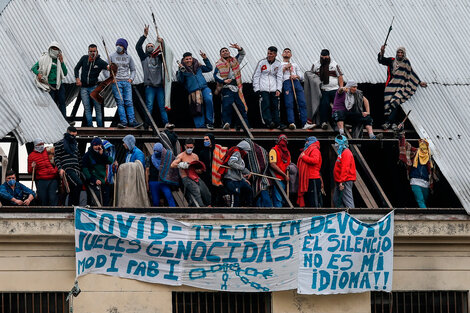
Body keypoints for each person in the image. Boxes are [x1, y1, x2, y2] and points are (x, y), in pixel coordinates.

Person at [378, 46, 427, 130]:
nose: (400, 54)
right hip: (390, 86)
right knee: (389, 103)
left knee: (395, 101)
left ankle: (389, 122)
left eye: (401, 53)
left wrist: (419, 82)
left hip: (400, 86)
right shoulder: (392, 60)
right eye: (398, 53)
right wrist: (382, 52)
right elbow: (381, 60)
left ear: (404, 54)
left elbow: (411, 73)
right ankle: (394, 122)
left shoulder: (406, 62)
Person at [136, 26, 174, 129]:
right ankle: (147, 124)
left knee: (162, 106)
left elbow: (167, 52)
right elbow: (138, 47)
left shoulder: (159, 57)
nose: (150, 47)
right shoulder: (144, 58)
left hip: (159, 86)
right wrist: (144, 35)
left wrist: (162, 42)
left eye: (152, 46)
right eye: (148, 46)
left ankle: (166, 123)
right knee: (149, 106)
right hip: (150, 86)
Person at [214, 44, 249, 130]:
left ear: (229, 52)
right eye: (223, 51)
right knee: (227, 106)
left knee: (241, 107)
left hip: (237, 88)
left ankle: (244, 125)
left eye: (226, 51)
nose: (225, 52)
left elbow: (242, 54)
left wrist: (239, 48)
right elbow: (215, 75)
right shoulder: (219, 64)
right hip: (227, 88)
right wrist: (224, 81)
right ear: (220, 54)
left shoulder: (235, 60)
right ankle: (226, 123)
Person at [31, 41, 69, 122]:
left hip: (59, 85)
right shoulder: (44, 58)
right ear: (50, 49)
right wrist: (38, 74)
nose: (55, 50)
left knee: (62, 102)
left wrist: (61, 62)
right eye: (53, 48)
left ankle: (64, 120)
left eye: (56, 49)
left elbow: (65, 73)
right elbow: (34, 67)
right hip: (49, 85)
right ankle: (52, 120)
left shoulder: (61, 59)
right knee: (52, 104)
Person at [110, 38, 143, 129]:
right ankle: (124, 122)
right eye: (117, 45)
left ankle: (132, 121)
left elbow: (133, 70)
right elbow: (106, 69)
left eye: (120, 45)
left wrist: (131, 79)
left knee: (129, 102)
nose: (118, 47)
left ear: (124, 47)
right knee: (120, 102)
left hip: (126, 82)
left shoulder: (129, 57)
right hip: (117, 82)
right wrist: (110, 78)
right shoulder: (111, 56)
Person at [177, 51, 214, 129]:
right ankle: (200, 126)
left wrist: (205, 58)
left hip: (204, 88)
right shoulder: (181, 70)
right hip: (193, 91)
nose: (188, 60)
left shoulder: (198, 66)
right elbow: (180, 81)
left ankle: (209, 123)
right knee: (197, 108)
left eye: (190, 58)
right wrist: (180, 70)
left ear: (192, 59)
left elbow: (209, 68)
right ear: (183, 60)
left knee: (209, 100)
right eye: (186, 59)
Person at [398, 131, 436, 208]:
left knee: (424, 200)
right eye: (421, 144)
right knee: (420, 200)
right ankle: (426, 216)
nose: (423, 146)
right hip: (415, 181)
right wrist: (402, 136)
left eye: (424, 144)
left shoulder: (430, 157)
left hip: (426, 182)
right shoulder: (415, 152)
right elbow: (405, 146)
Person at [74, 44, 109, 127]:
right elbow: (76, 68)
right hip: (84, 88)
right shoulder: (84, 58)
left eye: (94, 51)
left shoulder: (100, 61)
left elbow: (109, 67)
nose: (92, 53)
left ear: (97, 52)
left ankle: (100, 127)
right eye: (91, 51)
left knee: (98, 108)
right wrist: (77, 78)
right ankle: (90, 126)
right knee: (87, 107)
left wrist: (111, 67)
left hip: (94, 87)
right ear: (88, 51)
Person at [252, 46, 285, 129]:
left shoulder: (278, 64)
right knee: (265, 105)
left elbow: (280, 77)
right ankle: (268, 122)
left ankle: (277, 123)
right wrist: (257, 89)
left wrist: (278, 89)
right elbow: (256, 76)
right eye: (268, 53)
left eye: (271, 54)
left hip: (274, 89)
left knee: (275, 106)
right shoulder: (262, 62)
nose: (269, 55)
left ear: (275, 54)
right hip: (263, 88)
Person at [171, 138, 211, 207]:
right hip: (186, 177)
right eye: (188, 147)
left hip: (195, 177)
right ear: (185, 146)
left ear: (193, 147)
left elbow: (199, 169)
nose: (189, 148)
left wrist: (199, 171)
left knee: (206, 192)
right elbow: (172, 165)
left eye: (191, 147)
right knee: (196, 190)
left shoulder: (195, 156)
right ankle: (201, 207)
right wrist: (180, 165)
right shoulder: (181, 156)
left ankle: (208, 205)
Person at [277, 48, 310, 130]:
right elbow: (278, 75)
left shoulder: (294, 65)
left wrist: (296, 76)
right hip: (286, 82)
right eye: (285, 52)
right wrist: (284, 68)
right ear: (282, 54)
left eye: (289, 52)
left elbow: (301, 77)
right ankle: (291, 122)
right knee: (289, 103)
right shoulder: (279, 64)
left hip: (296, 82)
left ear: (291, 55)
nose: (287, 53)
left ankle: (304, 123)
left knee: (302, 102)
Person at [311, 49, 344, 129]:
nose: (324, 59)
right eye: (322, 57)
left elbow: (340, 76)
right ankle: (324, 122)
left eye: (326, 57)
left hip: (334, 89)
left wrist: (341, 87)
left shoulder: (334, 64)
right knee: (324, 105)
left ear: (329, 56)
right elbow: (311, 76)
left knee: (337, 106)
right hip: (323, 89)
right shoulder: (316, 64)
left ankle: (338, 123)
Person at [54, 126, 82, 206]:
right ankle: (75, 205)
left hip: (76, 169)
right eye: (72, 135)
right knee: (78, 184)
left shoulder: (75, 144)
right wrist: (60, 169)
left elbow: (78, 157)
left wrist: (81, 168)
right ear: (68, 132)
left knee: (74, 187)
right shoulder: (60, 143)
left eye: (75, 135)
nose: (73, 137)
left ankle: (71, 205)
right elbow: (57, 157)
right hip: (68, 169)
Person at [220, 141, 253, 207]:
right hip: (232, 180)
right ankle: (233, 211)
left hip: (238, 179)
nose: (247, 153)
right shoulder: (236, 152)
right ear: (243, 149)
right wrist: (242, 168)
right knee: (235, 196)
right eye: (247, 151)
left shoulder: (240, 155)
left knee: (248, 190)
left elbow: (239, 169)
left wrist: (244, 177)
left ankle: (247, 207)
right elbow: (231, 163)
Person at [82, 137, 114, 206]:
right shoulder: (87, 155)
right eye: (96, 145)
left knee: (106, 201)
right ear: (92, 145)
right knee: (96, 201)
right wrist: (93, 179)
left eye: (99, 145)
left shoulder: (103, 153)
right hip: (94, 181)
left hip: (103, 181)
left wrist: (102, 155)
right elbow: (85, 169)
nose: (98, 147)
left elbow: (110, 161)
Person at [27, 138, 58, 206]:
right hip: (41, 180)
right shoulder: (31, 156)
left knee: (53, 197)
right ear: (35, 145)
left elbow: (57, 161)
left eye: (42, 144)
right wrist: (32, 167)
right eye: (39, 144)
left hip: (52, 178)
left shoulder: (49, 150)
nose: (41, 145)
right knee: (43, 199)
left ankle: (54, 213)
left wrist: (55, 170)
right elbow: (29, 171)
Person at [244, 139, 272, 207]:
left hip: (263, 180)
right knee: (260, 197)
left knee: (264, 195)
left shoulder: (258, 152)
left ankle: (268, 209)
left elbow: (260, 167)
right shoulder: (260, 151)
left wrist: (252, 173)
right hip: (258, 182)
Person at [297, 136, 323, 207]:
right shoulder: (311, 149)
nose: (306, 143)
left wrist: (304, 157)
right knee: (311, 198)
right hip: (309, 178)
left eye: (307, 141)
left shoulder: (315, 150)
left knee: (314, 199)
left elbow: (315, 160)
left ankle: (316, 214)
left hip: (313, 178)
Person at [333, 135, 356, 208]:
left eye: (336, 143)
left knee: (348, 200)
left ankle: (352, 216)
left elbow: (345, 168)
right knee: (336, 200)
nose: (335, 145)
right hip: (341, 180)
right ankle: (343, 215)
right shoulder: (341, 153)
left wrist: (342, 182)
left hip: (345, 180)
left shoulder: (346, 153)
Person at [269, 135, 291, 207]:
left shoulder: (287, 153)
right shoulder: (274, 150)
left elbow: (288, 164)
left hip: (285, 180)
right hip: (277, 179)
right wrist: (284, 175)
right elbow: (272, 164)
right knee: (278, 199)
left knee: (284, 199)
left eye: (285, 139)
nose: (283, 140)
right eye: (281, 138)